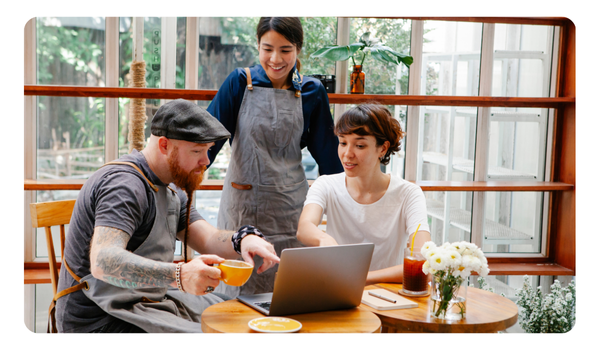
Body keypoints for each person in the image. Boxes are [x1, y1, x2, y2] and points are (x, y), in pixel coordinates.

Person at [54, 99, 280, 333]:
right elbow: (103, 262)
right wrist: (180, 275)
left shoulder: (171, 186)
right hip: (98, 320)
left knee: (240, 313)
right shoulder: (124, 185)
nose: (206, 161)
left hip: (145, 302)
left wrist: (243, 239)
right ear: (164, 145)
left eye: (208, 150)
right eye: (196, 151)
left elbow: (207, 238)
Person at [206, 17, 343, 297]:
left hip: (290, 209)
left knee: (290, 291)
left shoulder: (312, 91)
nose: (275, 59)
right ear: (257, 46)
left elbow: (329, 158)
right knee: (237, 292)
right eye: (268, 48)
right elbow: (207, 143)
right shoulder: (239, 83)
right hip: (242, 207)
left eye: (285, 50)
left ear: (298, 49)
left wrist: (353, 201)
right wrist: (176, 183)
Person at [297, 103, 431, 285]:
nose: (347, 154)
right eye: (343, 143)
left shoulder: (408, 193)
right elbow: (304, 227)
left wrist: (359, 278)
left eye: (359, 145)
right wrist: (323, 238)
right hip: (339, 291)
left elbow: (423, 262)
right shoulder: (326, 184)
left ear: (382, 148)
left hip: (389, 295)